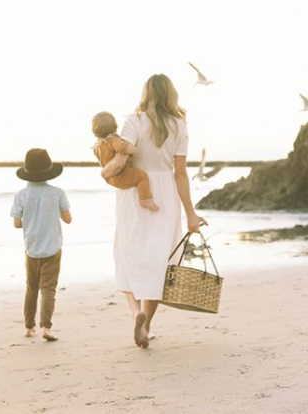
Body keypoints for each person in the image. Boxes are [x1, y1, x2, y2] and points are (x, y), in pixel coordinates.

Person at [102, 74, 207, 349]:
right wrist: (191, 214)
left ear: (146, 93)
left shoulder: (133, 121)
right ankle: (146, 325)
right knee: (162, 264)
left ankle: (135, 311)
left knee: (126, 255)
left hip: (134, 192)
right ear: (171, 95)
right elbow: (181, 173)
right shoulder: (179, 125)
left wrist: (106, 169)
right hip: (166, 193)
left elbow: (122, 156)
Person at [11, 148, 72, 342]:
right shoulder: (57, 193)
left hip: (31, 248)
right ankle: (46, 327)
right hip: (52, 247)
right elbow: (68, 219)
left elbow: (17, 223)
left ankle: (29, 327)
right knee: (48, 289)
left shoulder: (21, 195)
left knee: (31, 288)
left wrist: (30, 219)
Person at [91, 111, 159, 211]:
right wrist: (133, 148)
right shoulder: (114, 141)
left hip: (110, 178)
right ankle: (145, 199)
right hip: (122, 175)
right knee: (142, 176)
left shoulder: (97, 146)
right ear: (115, 127)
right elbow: (130, 149)